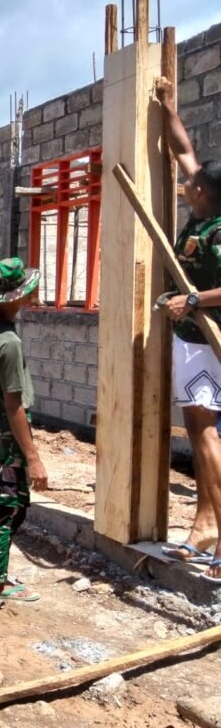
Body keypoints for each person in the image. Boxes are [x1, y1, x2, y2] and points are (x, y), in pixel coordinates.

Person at [155, 77, 221, 576]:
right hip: (192, 339)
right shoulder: (202, 210)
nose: (185, 181)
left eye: (191, 182)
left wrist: (193, 299)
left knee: (205, 434)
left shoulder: (219, 230)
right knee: (200, 432)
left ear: (203, 192)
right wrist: (168, 107)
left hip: (208, 342)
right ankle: (205, 527)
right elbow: (184, 150)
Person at [0, 258, 49, 602]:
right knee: (8, 504)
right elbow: (15, 405)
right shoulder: (9, 344)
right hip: (3, 428)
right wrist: (33, 458)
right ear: (14, 296)